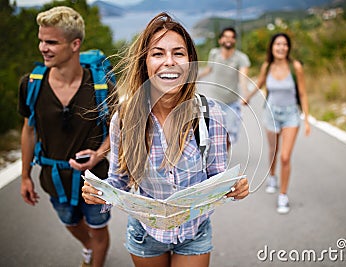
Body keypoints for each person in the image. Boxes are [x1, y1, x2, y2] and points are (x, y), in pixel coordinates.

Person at [82, 13, 249, 267]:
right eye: (158, 54)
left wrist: (233, 187)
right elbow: (120, 181)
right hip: (146, 235)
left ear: (190, 62)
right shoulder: (125, 119)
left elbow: (217, 176)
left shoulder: (209, 113)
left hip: (194, 232)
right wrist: (101, 192)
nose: (168, 62)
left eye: (178, 53)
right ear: (145, 63)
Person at [18, 6, 115, 267]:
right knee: (71, 223)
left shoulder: (102, 85)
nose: (43, 47)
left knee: (98, 228)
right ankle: (88, 248)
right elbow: (29, 130)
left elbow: (119, 129)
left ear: (75, 44)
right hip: (54, 179)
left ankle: (95, 261)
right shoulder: (31, 84)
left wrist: (99, 154)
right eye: (41, 40)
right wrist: (26, 175)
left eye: (51, 42)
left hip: (97, 181)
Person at [244, 33, 310, 214]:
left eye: (284, 44)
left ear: (288, 48)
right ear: (272, 47)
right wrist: (247, 98)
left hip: (291, 116)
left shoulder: (295, 67)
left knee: (285, 157)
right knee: (273, 151)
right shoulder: (267, 66)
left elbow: (303, 94)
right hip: (271, 114)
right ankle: (272, 176)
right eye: (277, 44)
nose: (281, 47)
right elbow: (259, 83)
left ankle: (283, 195)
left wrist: (307, 119)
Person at [198, 27, 251, 151]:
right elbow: (208, 69)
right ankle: (216, 157)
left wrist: (246, 94)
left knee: (228, 134)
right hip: (215, 102)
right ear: (220, 40)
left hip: (232, 102)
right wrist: (194, 78)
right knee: (214, 132)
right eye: (226, 36)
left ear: (235, 41)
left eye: (232, 37)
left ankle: (223, 157)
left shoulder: (241, 58)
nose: (229, 39)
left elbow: (243, 78)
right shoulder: (214, 53)